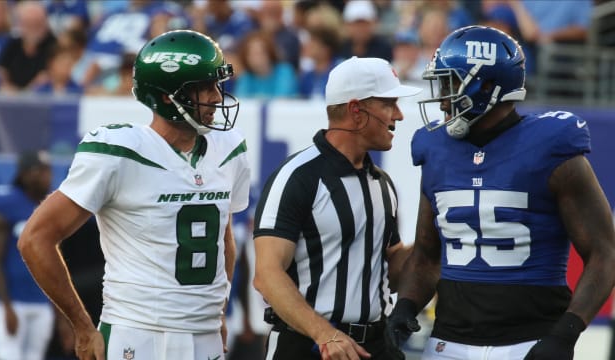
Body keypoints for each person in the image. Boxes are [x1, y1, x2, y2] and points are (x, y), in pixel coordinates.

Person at [17, 29, 250, 360]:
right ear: (168, 96)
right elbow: (35, 238)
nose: (216, 96)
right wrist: (82, 326)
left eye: (217, 85)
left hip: (206, 335)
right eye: (204, 87)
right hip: (139, 334)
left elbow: (221, 239)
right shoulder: (119, 152)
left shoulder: (229, 148)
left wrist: (218, 311)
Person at [387, 25, 615, 360]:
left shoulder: (551, 147)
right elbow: (426, 255)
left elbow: (604, 253)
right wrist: (405, 306)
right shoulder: (434, 148)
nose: (443, 96)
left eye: (451, 83)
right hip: (450, 342)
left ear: (488, 87)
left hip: (529, 341)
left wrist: (565, 334)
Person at [253, 56, 421, 360]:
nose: (399, 115)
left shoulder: (381, 182)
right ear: (356, 111)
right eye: (388, 104)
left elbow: (391, 269)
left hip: (375, 345)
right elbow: (267, 274)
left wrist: (433, 236)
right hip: (309, 346)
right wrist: (324, 333)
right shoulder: (297, 177)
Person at [0, 151, 56, 360]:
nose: (46, 176)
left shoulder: (50, 205)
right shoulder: (7, 203)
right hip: (13, 302)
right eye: (40, 171)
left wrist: (61, 315)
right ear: (25, 174)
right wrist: (5, 304)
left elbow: (56, 262)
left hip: (42, 302)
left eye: (48, 170)